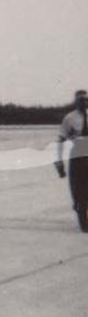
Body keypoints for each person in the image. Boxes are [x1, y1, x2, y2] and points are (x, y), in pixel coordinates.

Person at [56, 90, 88, 232]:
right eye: (81, 100)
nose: (84, 102)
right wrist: (59, 160)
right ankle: (83, 219)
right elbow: (60, 139)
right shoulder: (69, 118)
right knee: (78, 189)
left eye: (86, 99)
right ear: (75, 101)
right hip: (78, 156)